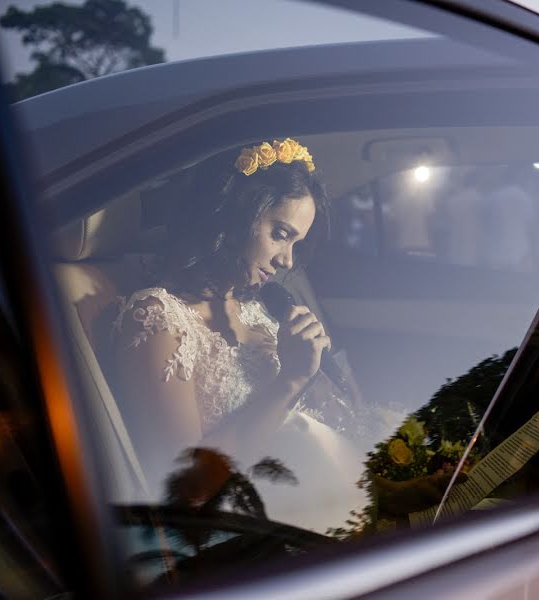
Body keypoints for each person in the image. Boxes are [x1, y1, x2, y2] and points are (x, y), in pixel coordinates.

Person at [109, 139, 359, 514]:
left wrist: (318, 376)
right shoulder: (158, 317)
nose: (287, 261)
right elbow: (189, 487)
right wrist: (289, 381)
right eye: (280, 234)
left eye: (296, 243)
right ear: (233, 216)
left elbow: (324, 408)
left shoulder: (261, 308)